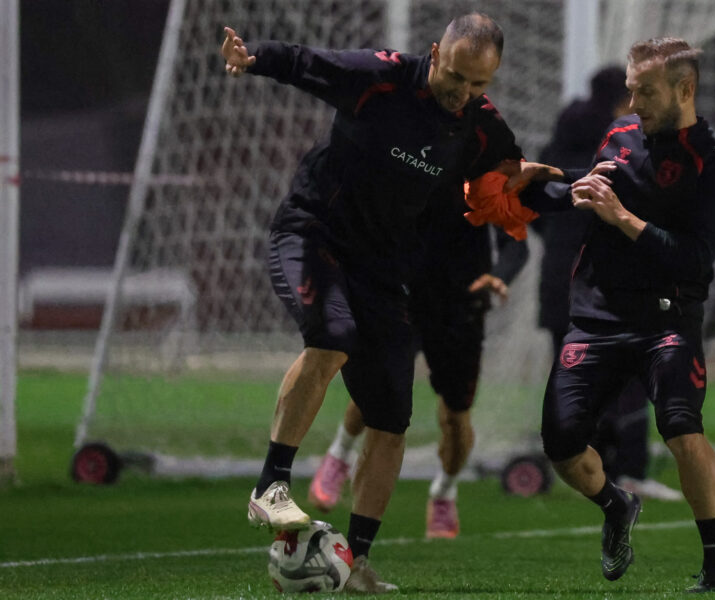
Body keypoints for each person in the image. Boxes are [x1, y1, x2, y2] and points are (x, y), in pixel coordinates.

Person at [219, 14, 559, 593]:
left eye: (479, 83)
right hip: (312, 233)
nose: (464, 92)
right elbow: (308, 63)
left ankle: (352, 561)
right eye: (456, 76)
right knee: (332, 336)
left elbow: (517, 180)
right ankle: (270, 486)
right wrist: (253, 58)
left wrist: (580, 192)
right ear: (435, 53)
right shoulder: (383, 77)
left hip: (379, 267)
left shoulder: (481, 127)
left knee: (392, 416)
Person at [512, 37, 715, 591]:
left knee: (681, 429)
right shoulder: (618, 134)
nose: (633, 103)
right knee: (561, 445)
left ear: (685, 89)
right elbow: (591, 195)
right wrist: (542, 184)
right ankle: (617, 504)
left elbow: (694, 257)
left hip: (667, 320)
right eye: (630, 90)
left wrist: (624, 220)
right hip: (596, 317)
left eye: (646, 92)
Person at [308, 184, 529, 540]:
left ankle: (444, 491)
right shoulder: (412, 165)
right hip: (403, 299)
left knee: (456, 418)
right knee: (378, 387)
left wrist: (500, 275)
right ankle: (339, 455)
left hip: (461, 309)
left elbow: (517, 242)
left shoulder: (486, 175)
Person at [535, 66, 682, 503]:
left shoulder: (556, 151)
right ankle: (630, 471)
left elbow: (536, 214)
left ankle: (584, 471)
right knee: (633, 374)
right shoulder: (618, 154)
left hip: (559, 285)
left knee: (574, 381)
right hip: (605, 285)